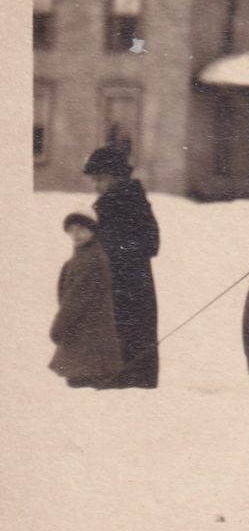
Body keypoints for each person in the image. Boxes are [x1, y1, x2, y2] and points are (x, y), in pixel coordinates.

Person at [84, 142, 160, 389]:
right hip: (121, 286)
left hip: (129, 288)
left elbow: (151, 242)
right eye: (93, 180)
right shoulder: (115, 202)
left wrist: (112, 254)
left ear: (116, 177)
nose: (95, 186)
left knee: (129, 348)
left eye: (100, 179)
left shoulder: (129, 202)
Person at [49, 213, 124, 389]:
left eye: (81, 229)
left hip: (89, 347)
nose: (76, 234)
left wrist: (58, 328)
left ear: (92, 231)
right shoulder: (78, 260)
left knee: (84, 394)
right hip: (83, 344)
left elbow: (75, 300)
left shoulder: (92, 260)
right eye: (72, 230)